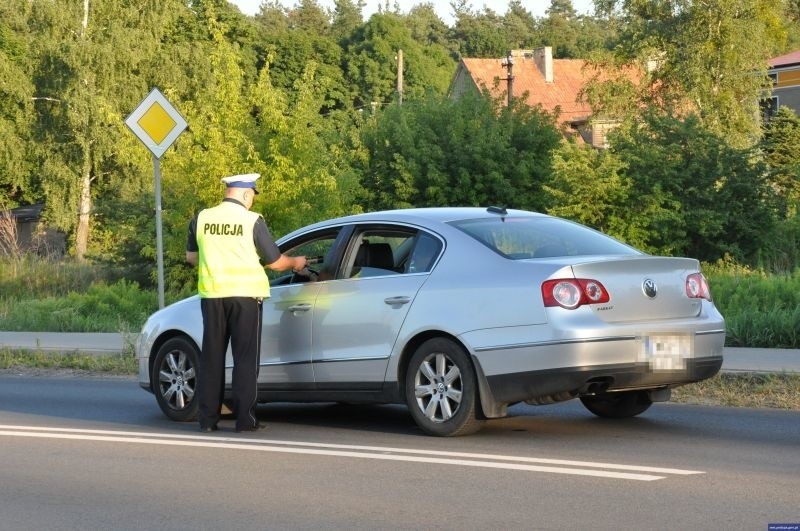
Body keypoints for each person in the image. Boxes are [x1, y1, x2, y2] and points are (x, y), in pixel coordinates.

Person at [186, 173, 307, 433]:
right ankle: (244, 421)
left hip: (213, 296)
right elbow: (275, 262)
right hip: (245, 297)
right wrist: (296, 263)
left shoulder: (202, 218)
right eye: (252, 196)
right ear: (245, 194)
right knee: (245, 359)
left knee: (212, 358)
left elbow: (191, 257)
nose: (252, 201)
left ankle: (207, 421)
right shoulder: (252, 221)